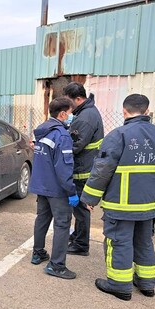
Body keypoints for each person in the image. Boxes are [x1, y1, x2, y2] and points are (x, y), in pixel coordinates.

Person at [81, 94, 155, 300]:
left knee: (119, 241)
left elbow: (102, 169)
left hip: (120, 205)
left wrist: (90, 198)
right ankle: (146, 284)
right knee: (144, 242)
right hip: (147, 205)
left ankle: (119, 285)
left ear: (124, 112)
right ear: (147, 111)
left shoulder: (118, 136)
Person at [29, 97, 79, 280]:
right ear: (63, 113)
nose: (71, 117)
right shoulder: (61, 136)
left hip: (41, 185)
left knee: (42, 219)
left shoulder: (42, 131)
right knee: (62, 224)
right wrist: (71, 191)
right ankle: (57, 265)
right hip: (57, 189)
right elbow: (64, 167)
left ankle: (38, 253)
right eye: (70, 114)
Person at [63, 82, 104, 256]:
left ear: (78, 99)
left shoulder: (86, 117)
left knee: (81, 208)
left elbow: (75, 145)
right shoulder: (86, 113)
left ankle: (81, 244)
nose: (68, 106)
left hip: (83, 169)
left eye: (69, 102)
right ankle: (79, 236)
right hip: (85, 166)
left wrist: (60, 148)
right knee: (80, 208)